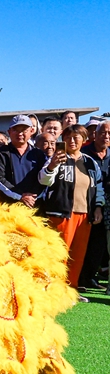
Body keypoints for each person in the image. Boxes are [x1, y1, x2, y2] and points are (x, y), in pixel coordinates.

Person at [38, 124, 103, 294]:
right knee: (59, 254)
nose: (72, 141)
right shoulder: (57, 158)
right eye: (68, 137)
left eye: (76, 137)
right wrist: (52, 165)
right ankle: (54, 290)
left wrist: (98, 207)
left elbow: (99, 188)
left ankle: (71, 289)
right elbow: (43, 180)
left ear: (84, 139)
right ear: (63, 139)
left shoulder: (90, 162)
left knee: (78, 255)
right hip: (60, 214)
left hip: (84, 215)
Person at [79, 120, 110, 289]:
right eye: (103, 132)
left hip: (107, 207)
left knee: (101, 246)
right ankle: (80, 277)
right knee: (87, 244)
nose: (106, 136)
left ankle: (90, 277)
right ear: (95, 135)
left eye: (109, 134)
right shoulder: (84, 154)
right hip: (87, 205)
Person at [0, 114, 47, 207]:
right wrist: (19, 196)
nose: (20, 134)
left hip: (34, 205)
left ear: (31, 131)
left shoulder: (39, 154)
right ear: (9, 132)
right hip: (8, 206)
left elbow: (44, 179)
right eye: (15, 130)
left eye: (24, 130)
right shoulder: (1, 153)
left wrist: (32, 197)